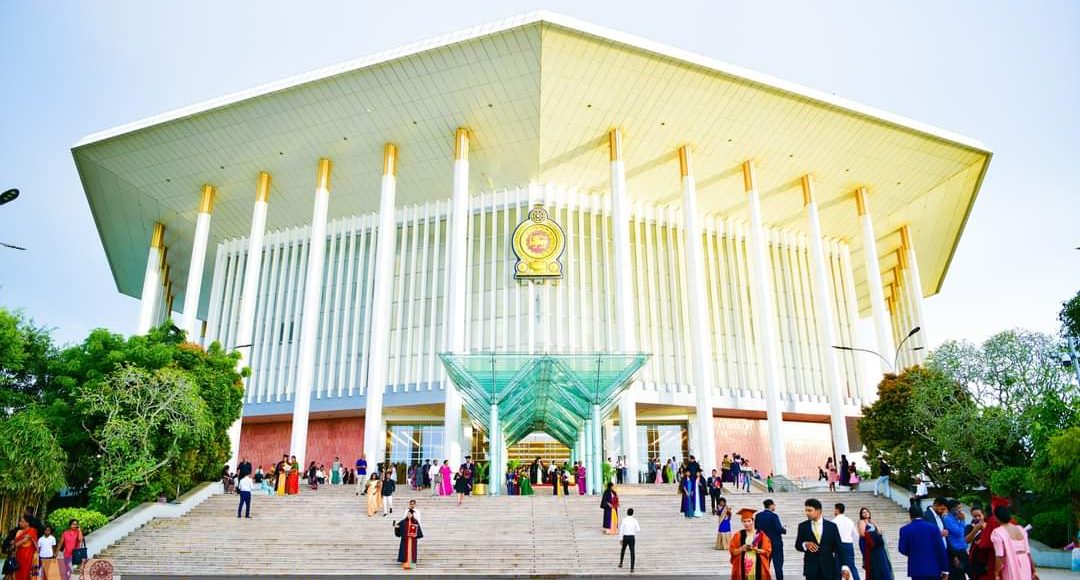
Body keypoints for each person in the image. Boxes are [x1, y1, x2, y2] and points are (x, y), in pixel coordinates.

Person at [795, 498, 843, 580]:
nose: (807, 513)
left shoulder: (832, 526)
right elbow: (798, 545)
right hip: (811, 569)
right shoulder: (802, 526)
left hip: (829, 569)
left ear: (818, 511)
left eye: (809, 510)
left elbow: (839, 548)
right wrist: (805, 544)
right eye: (806, 510)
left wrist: (844, 566)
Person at [899, 505, 948, 580]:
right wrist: (945, 569)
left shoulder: (905, 529)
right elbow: (941, 549)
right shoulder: (933, 528)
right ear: (922, 514)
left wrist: (913, 553)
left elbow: (902, 549)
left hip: (916, 569)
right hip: (934, 567)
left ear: (910, 515)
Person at [989, 504, 1036, 580]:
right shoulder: (1020, 529)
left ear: (996, 517)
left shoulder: (997, 532)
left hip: (1011, 564)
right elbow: (1028, 553)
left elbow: (999, 556)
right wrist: (1034, 570)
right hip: (1025, 563)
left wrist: (996, 573)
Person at [730, 508, 772, 579]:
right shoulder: (738, 535)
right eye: (744, 521)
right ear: (742, 522)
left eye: (749, 521)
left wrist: (758, 550)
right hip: (743, 566)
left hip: (758, 565)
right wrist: (741, 549)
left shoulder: (761, 534)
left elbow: (768, 551)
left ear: (753, 521)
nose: (747, 524)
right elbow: (732, 551)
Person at [857, 507, 894, 580]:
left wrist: (876, 529)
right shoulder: (862, 522)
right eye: (863, 512)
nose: (866, 513)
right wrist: (874, 534)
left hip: (877, 546)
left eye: (867, 512)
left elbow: (879, 532)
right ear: (861, 515)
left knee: (883, 563)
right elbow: (862, 533)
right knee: (874, 565)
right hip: (870, 546)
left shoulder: (872, 522)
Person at [755, 499, 787, 580]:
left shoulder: (758, 515)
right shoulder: (774, 516)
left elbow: (756, 528)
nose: (774, 507)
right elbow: (778, 529)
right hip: (776, 543)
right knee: (778, 565)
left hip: (763, 544)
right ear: (771, 505)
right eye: (774, 505)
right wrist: (784, 530)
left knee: (765, 565)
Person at [832, 503, 861, 580]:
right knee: (852, 566)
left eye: (834, 509)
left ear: (837, 510)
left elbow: (831, 536)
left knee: (838, 567)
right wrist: (850, 541)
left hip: (838, 545)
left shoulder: (833, 522)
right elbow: (856, 535)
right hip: (848, 545)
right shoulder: (849, 521)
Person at [943, 500, 970, 579]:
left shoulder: (956, 518)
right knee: (959, 574)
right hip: (956, 550)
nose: (960, 510)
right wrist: (962, 521)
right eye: (958, 508)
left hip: (962, 549)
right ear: (952, 509)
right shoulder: (948, 519)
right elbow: (959, 533)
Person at [12, 516, 39, 580]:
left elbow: (23, 541)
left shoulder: (32, 530)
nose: (19, 523)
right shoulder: (19, 531)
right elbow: (15, 541)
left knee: (25, 571)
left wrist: (13, 546)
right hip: (18, 554)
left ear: (27, 523)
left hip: (27, 555)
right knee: (17, 571)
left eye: (22, 521)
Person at [618, 507, 640, 572]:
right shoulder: (635, 520)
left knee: (623, 550)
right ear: (633, 513)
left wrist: (620, 538)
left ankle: (621, 563)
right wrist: (633, 529)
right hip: (632, 537)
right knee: (632, 552)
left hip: (625, 536)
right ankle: (632, 568)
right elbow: (638, 529)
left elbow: (621, 530)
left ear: (627, 513)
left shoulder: (624, 520)